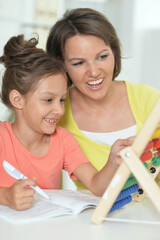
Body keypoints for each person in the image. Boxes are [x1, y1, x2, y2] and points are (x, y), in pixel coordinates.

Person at [0, 34, 133, 210]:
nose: (59, 110)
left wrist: (113, 160)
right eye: (48, 100)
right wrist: (6, 196)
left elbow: (96, 185)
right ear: (18, 100)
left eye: (62, 100)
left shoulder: (63, 140)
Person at [46, 8, 160, 190]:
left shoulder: (148, 98)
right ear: (61, 64)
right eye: (78, 63)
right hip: (93, 216)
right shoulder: (56, 114)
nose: (93, 72)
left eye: (102, 57)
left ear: (114, 52)